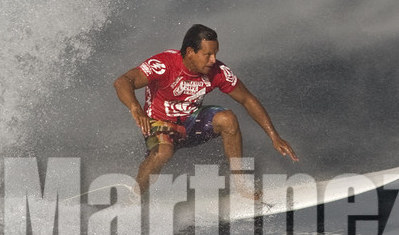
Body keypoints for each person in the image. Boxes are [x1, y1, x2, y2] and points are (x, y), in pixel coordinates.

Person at [113, 23, 297, 192]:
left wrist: (274, 136)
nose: (213, 60)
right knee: (163, 152)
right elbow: (122, 82)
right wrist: (135, 107)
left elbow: (248, 100)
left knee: (228, 119)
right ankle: (135, 197)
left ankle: (241, 185)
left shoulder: (217, 71)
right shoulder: (164, 64)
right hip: (159, 124)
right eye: (207, 54)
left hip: (190, 124)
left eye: (215, 53)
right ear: (190, 52)